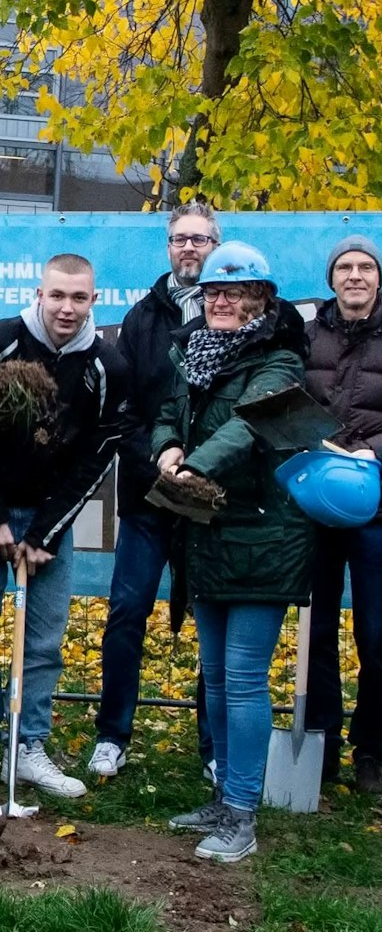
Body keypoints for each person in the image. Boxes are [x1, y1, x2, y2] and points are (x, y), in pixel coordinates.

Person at [0, 254, 129, 800]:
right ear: (39, 293)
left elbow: (97, 457)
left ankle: (29, 744)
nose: (67, 308)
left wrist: (44, 534)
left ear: (94, 300)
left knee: (44, 639)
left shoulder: (107, 367)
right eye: (58, 296)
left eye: (79, 298)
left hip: (48, 519)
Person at [155, 241, 312, 862]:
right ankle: (222, 800)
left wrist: (192, 465)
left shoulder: (281, 361)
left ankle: (242, 814)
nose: (221, 301)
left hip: (266, 537)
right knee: (216, 680)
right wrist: (167, 447)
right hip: (210, 533)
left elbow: (249, 426)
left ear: (261, 301)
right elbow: (172, 411)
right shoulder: (192, 354)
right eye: (215, 292)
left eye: (236, 293)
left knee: (244, 679)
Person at [90, 202, 220, 779]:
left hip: (214, 500)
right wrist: (156, 466)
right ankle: (112, 735)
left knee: (216, 621)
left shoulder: (236, 311)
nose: (189, 248)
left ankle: (214, 749)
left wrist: (203, 471)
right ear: (167, 246)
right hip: (148, 495)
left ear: (217, 245)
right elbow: (123, 410)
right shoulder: (142, 317)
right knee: (126, 612)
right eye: (179, 239)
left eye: (200, 239)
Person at [301, 234, 382, 793]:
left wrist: (375, 452)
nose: (355, 275)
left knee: (377, 633)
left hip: (377, 503)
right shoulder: (307, 336)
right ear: (332, 279)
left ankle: (373, 749)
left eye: (366, 267)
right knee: (316, 630)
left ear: (378, 278)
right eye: (345, 267)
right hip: (316, 502)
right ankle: (319, 745)